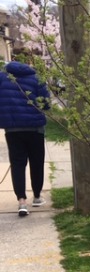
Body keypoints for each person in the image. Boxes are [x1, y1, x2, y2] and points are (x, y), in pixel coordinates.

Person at [0, 60, 51, 217]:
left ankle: (21, 201)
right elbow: (46, 103)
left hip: (12, 128)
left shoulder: (2, 78)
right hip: (35, 128)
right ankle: (36, 196)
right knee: (36, 162)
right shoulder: (37, 78)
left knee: (17, 164)